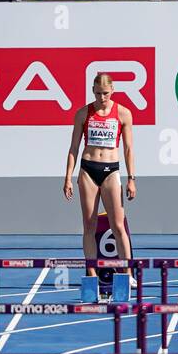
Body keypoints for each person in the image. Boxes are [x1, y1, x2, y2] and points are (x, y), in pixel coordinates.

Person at [64, 74, 135, 278]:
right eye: (98, 93)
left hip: (111, 170)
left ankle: (127, 273)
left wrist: (131, 178)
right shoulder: (83, 113)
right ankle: (92, 273)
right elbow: (74, 147)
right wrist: (68, 176)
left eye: (105, 93)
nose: (102, 97)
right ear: (92, 91)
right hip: (88, 169)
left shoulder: (123, 113)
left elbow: (129, 149)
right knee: (89, 224)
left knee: (118, 225)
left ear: (112, 90)